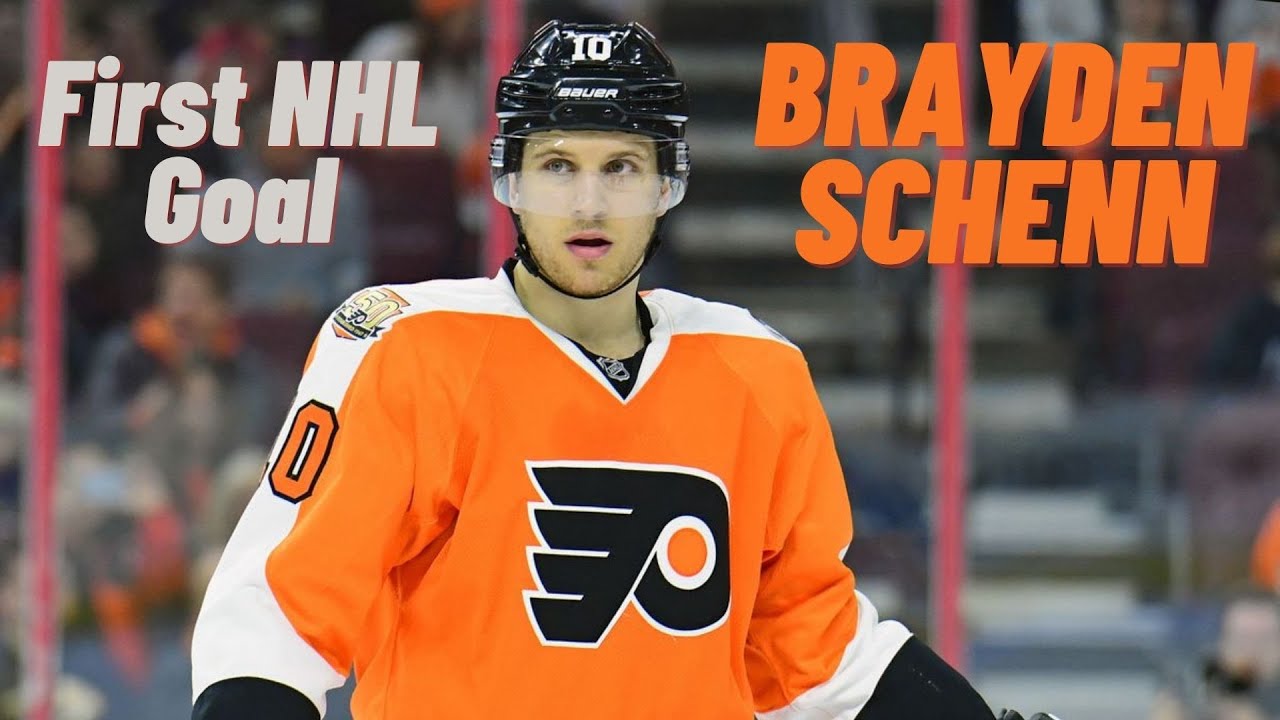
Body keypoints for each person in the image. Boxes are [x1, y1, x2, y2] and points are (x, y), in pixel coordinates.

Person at [189, 21, 1057, 720]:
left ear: (667, 185)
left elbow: (814, 650)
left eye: (622, 168)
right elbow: (274, 615)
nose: (590, 202)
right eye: (559, 165)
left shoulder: (754, 368)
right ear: (507, 180)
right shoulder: (407, 348)